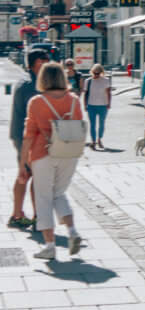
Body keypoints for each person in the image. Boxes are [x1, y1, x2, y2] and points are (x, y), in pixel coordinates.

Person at [21, 61, 87, 264]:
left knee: (43, 198)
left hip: (43, 153)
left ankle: (49, 246)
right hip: (69, 153)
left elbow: (29, 135)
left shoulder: (37, 101)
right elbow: (79, 126)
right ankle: (72, 231)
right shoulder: (74, 100)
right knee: (59, 193)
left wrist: (23, 163)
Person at [8, 47, 48, 232]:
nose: (48, 63)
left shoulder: (25, 81)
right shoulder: (32, 85)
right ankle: (36, 216)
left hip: (22, 135)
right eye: (45, 60)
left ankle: (17, 214)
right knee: (34, 176)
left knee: (25, 174)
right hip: (29, 138)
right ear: (37, 63)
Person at [83, 64, 112, 149]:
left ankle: (99, 139)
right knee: (92, 124)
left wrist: (109, 103)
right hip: (91, 105)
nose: (96, 75)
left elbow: (108, 93)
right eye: (95, 73)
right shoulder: (88, 81)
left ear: (101, 72)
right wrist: (85, 104)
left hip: (103, 105)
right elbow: (85, 94)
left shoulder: (106, 80)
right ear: (92, 72)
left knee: (102, 124)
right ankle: (93, 141)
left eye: (98, 73)